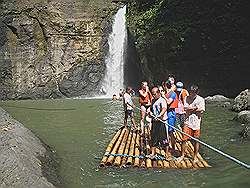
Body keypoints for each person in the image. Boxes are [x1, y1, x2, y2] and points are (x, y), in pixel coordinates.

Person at [177, 85, 205, 163]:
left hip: (196, 123)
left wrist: (192, 109)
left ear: (196, 93)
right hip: (187, 121)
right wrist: (195, 108)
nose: (191, 94)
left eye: (193, 93)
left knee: (196, 140)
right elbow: (185, 108)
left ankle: (195, 157)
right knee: (184, 139)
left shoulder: (201, 99)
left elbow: (201, 111)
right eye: (190, 93)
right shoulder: (186, 98)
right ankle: (182, 155)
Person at [147, 87, 169, 159]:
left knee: (164, 138)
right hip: (154, 121)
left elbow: (164, 109)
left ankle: (166, 154)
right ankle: (153, 153)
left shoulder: (162, 100)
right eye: (152, 94)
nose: (153, 96)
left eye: (154, 94)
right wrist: (149, 112)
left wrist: (160, 115)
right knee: (153, 137)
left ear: (159, 93)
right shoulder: (153, 100)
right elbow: (151, 109)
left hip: (161, 121)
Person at [163, 80, 178, 151]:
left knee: (170, 131)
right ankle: (167, 146)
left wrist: (163, 97)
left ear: (165, 86)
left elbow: (169, 102)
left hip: (170, 113)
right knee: (165, 131)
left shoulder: (173, 94)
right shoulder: (166, 93)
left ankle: (173, 148)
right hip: (165, 113)